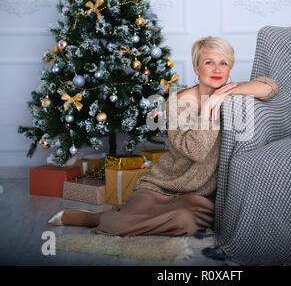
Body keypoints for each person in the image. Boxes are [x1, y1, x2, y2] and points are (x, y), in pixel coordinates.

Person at [48, 36, 279, 237]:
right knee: (118, 224)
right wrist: (209, 111)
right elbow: (195, 151)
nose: (218, 70)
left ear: (230, 68)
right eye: (209, 62)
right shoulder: (176, 103)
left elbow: (270, 86)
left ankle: (112, 219)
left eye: (224, 63)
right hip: (161, 186)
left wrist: (227, 92)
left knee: (184, 223)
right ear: (197, 68)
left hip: (200, 196)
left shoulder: (231, 98)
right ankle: (101, 219)